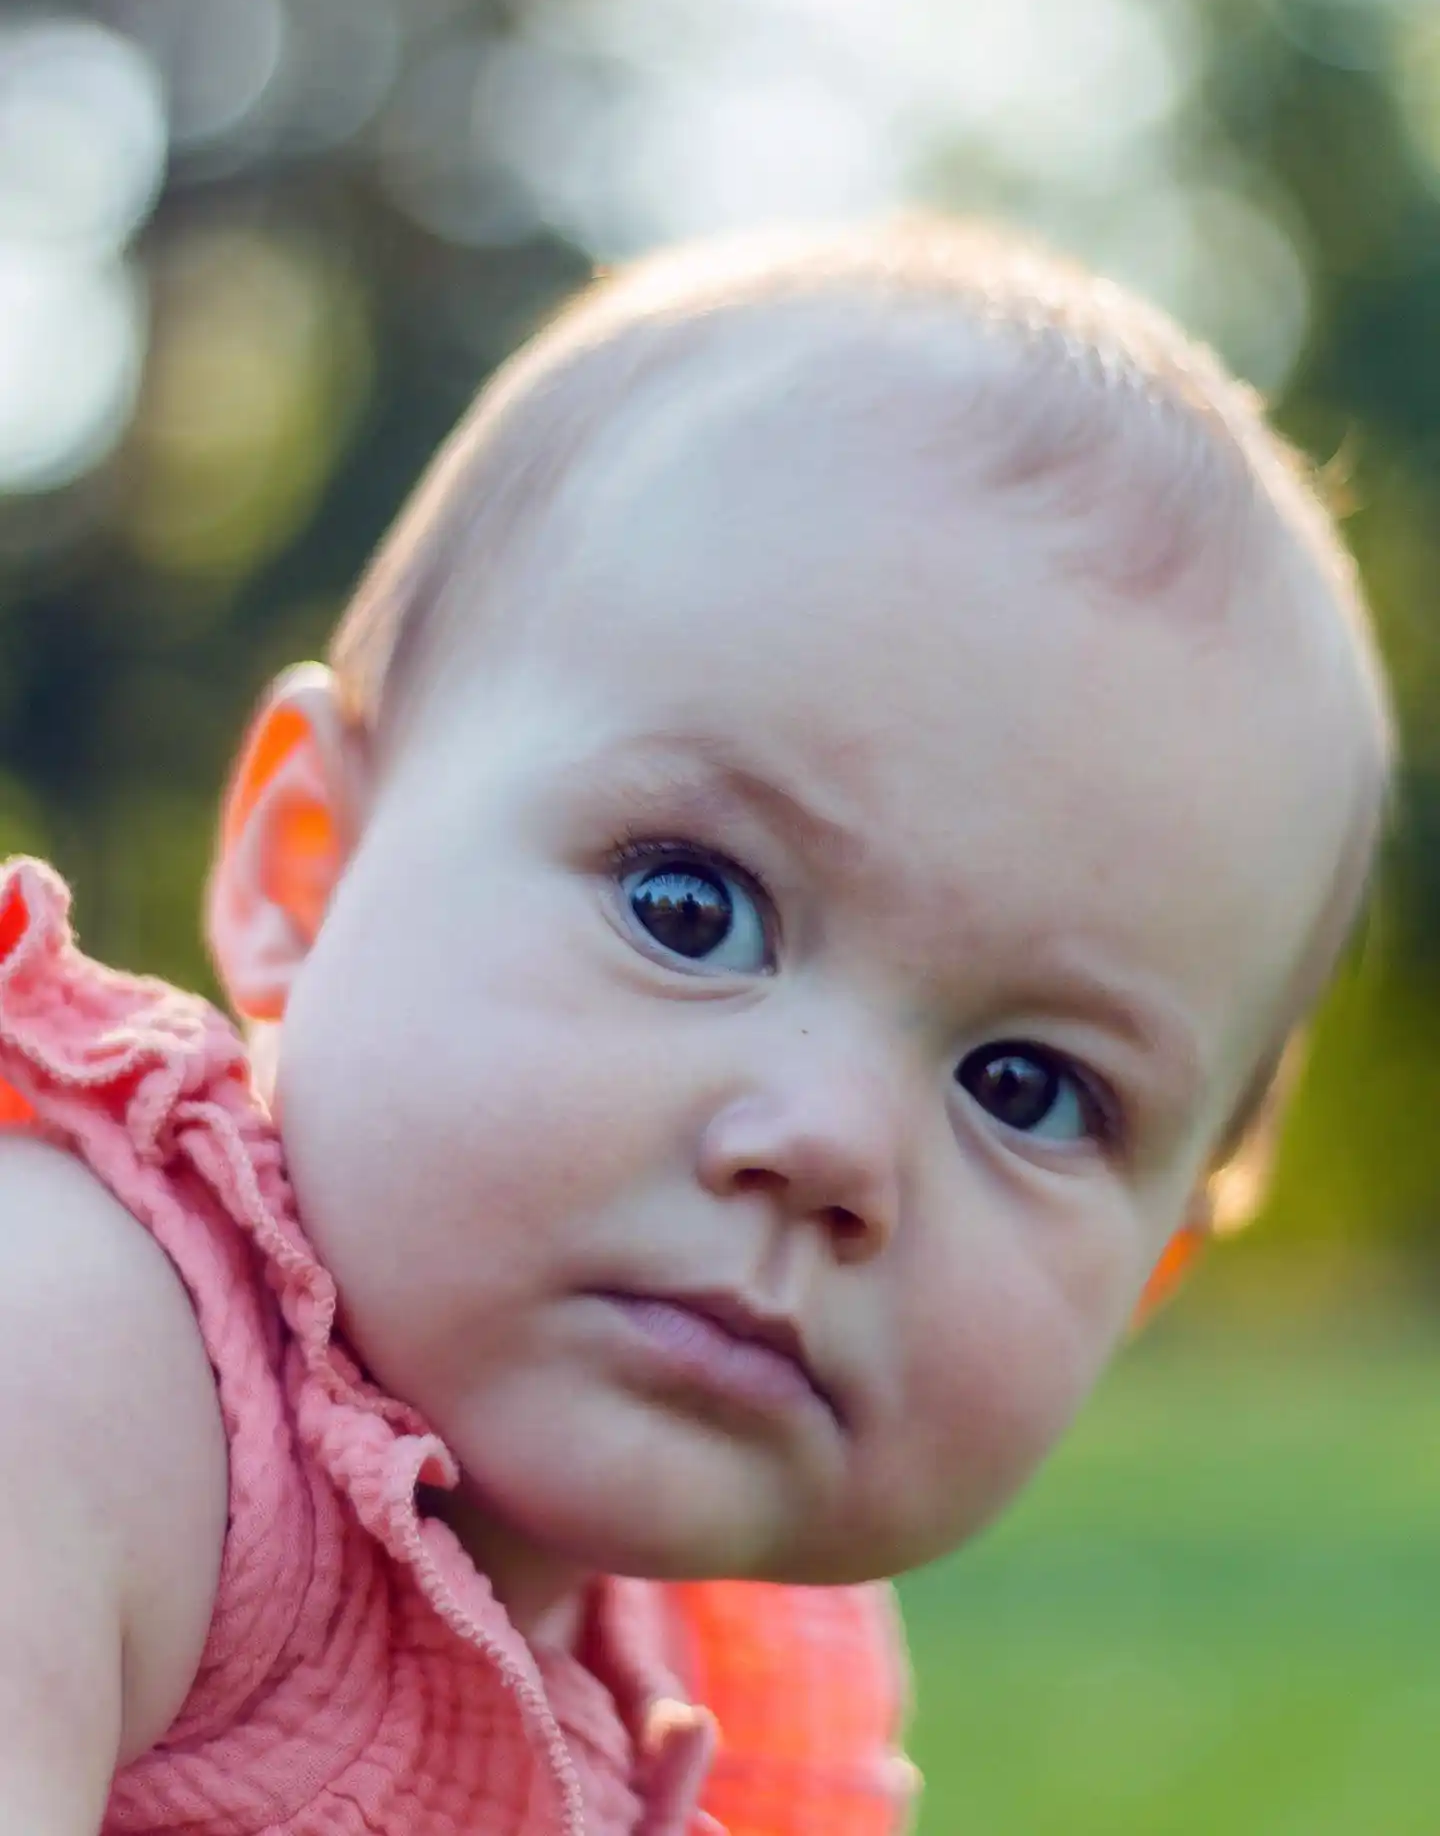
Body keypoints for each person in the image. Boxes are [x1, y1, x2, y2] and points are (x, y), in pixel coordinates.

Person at [0, 218, 1393, 1836]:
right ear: (306, 868)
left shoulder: (740, 1693)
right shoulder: (89, 1363)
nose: (829, 1143)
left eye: (1027, 1086)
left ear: (1151, 1272)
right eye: (690, 908)